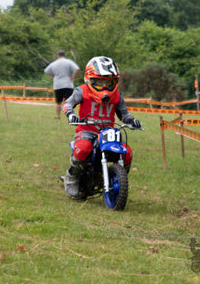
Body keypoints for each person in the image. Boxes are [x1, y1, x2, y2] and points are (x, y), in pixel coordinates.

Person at [62, 56, 142, 199]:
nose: (105, 87)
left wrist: (132, 121)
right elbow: (68, 103)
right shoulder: (82, 91)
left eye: (108, 82)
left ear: (115, 81)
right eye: (100, 82)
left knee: (127, 152)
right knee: (84, 148)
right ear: (90, 79)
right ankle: (71, 178)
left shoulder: (117, 95)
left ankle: (116, 178)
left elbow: (124, 113)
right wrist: (71, 115)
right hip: (86, 131)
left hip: (109, 132)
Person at [44, 50, 80, 119]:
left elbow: (46, 71)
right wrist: (73, 76)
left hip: (57, 85)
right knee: (69, 102)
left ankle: (58, 116)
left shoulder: (54, 63)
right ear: (64, 55)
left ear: (58, 56)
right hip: (68, 84)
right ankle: (70, 116)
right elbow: (77, 69)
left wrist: (53, 76)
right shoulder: (69, 62)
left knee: (58, 102)